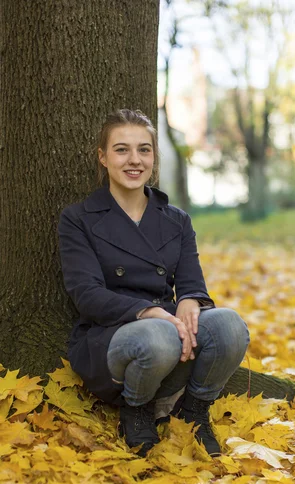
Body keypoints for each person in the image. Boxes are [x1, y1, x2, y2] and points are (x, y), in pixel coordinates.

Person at [58, 109, 250, 457]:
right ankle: (136, 408)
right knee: (158, 338)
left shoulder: (176, 220)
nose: (135, 160)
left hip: (168, 322)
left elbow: (192, 282)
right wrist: (148, 312)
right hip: (110, 333)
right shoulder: (78, 218)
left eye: (144, 150)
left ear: (153, 157)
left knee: (230, 325)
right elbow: (87, 295)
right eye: (121, 149)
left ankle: (193, 410)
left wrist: (192, 300)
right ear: (102, 157)